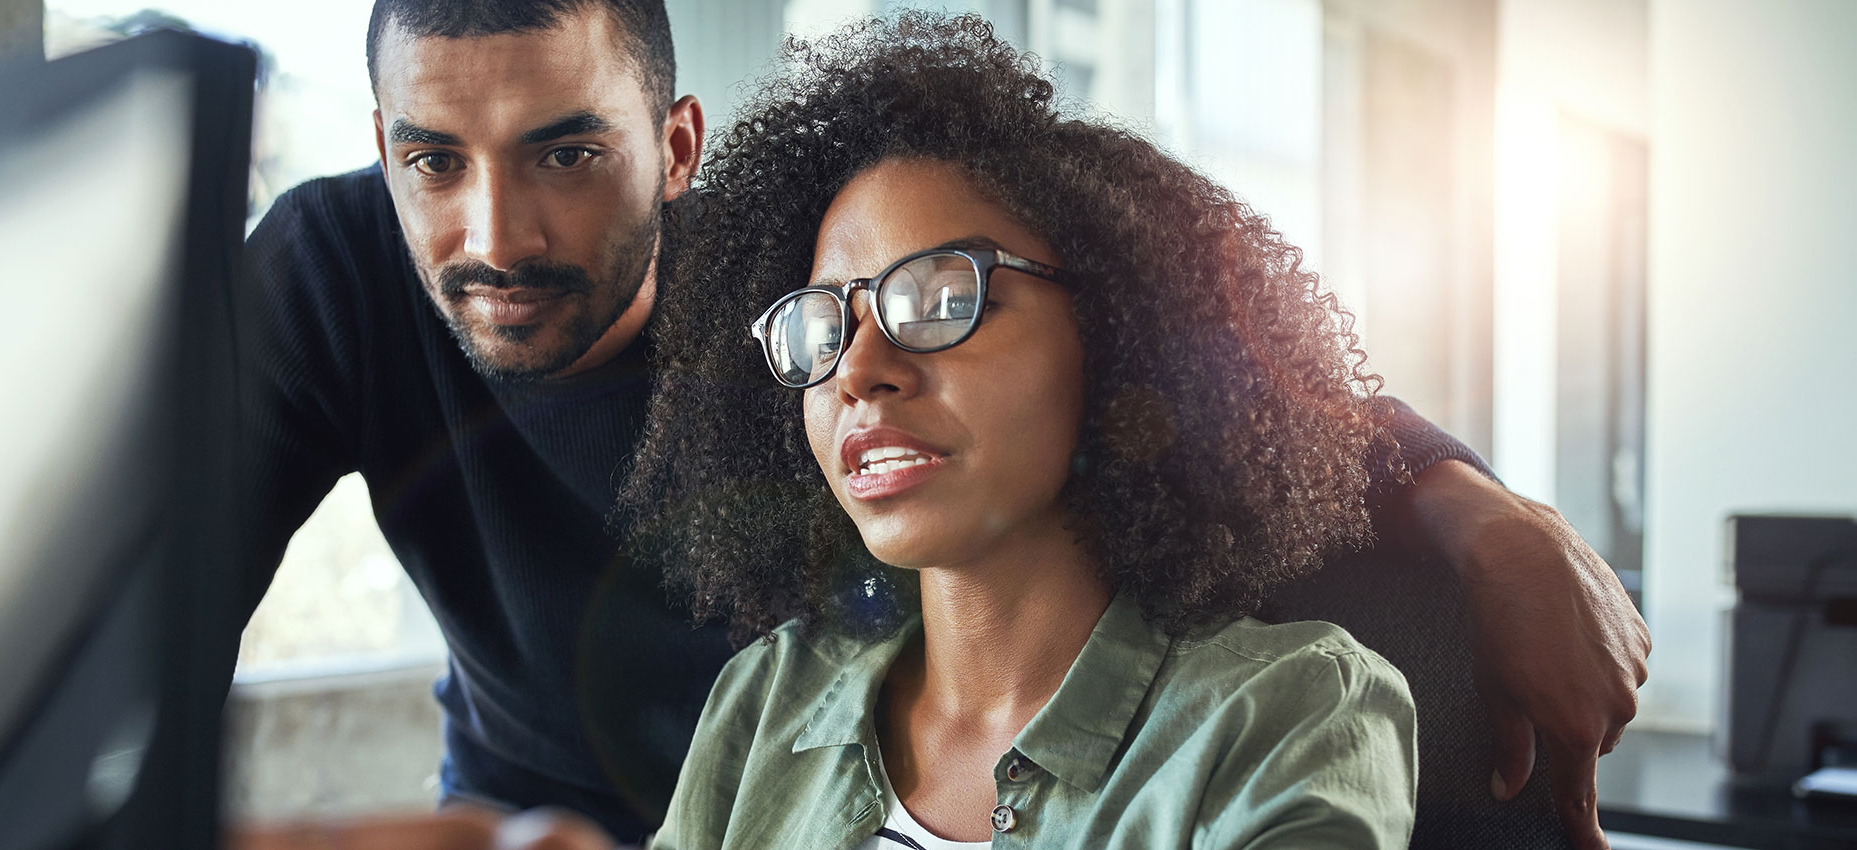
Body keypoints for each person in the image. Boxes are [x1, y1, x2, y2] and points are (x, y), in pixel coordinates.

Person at [233, 0, 1646, 846]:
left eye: (565, 151)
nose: (493, 231)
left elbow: (1243, 367)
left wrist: (1477, 505)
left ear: (673, 148)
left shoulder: (1277, 716)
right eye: (431, 160)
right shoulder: (769, 693)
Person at [630, 15, 1416, 847]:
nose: (856, 370)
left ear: (1116, 331)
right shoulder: (765, 701)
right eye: (823, 327)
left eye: (937, 300)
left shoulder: (1285, 713)